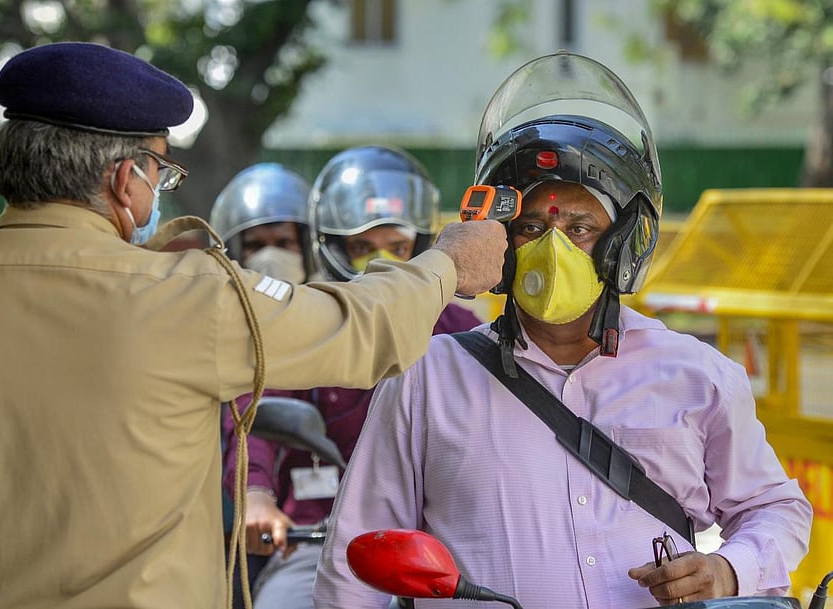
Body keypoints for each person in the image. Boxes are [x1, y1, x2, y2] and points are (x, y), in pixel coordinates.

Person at [0, 42, 507, 609]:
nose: (158, 194)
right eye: (161, 174)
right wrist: (449, 263)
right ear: (124, 179)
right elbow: (360, 326)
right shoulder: (183, 298)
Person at [314, 51, 812, 609]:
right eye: (530, 226)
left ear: (623, 244)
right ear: (500, 242)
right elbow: (354, 560)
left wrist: (728, 569)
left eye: (580, 228)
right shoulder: (424, 377)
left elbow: (776, 509)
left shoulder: (698, 375)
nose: (554, 248)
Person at [222, 145, 482, 609]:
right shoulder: (313, 320)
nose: (379, 263)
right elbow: (255, 406)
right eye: (363, 248)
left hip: (444, 551)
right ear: (333, 246)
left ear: (421, 245)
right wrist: (257, 495)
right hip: (324, 544)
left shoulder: (463, 330)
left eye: (396, 248)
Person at [210, 163, 318, 285]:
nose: (269, 257)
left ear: (306, 247)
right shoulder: (215, 302)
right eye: (255, 245)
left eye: (284, 243)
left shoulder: (329, 302)